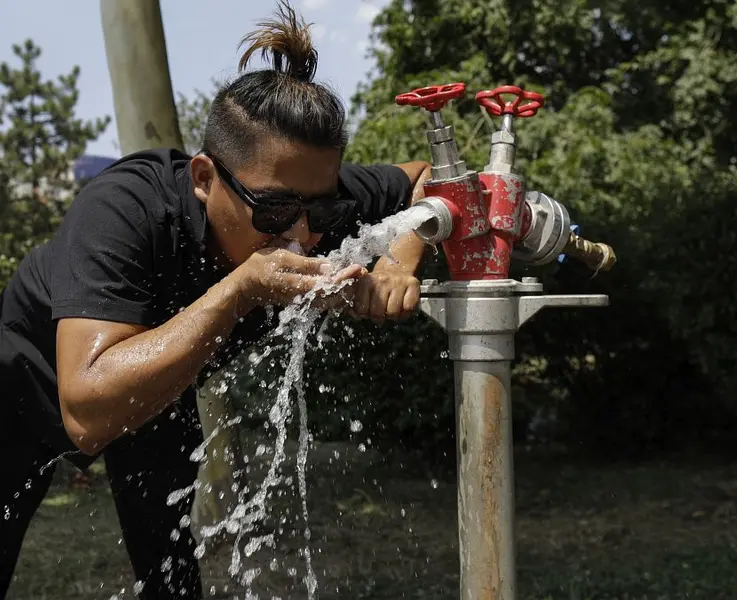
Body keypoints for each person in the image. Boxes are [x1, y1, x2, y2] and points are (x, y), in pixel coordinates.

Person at [0, 3, 431, 598]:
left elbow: (424, 181)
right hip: (27, 376)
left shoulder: (305, 196)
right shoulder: (126, 208)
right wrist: (240, 289)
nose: (303, 233)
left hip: (161, 377)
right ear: (204, 178)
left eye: (322, 209)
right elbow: (87, 408)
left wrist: (398, 261)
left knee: (172, 572)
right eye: (276, 210)